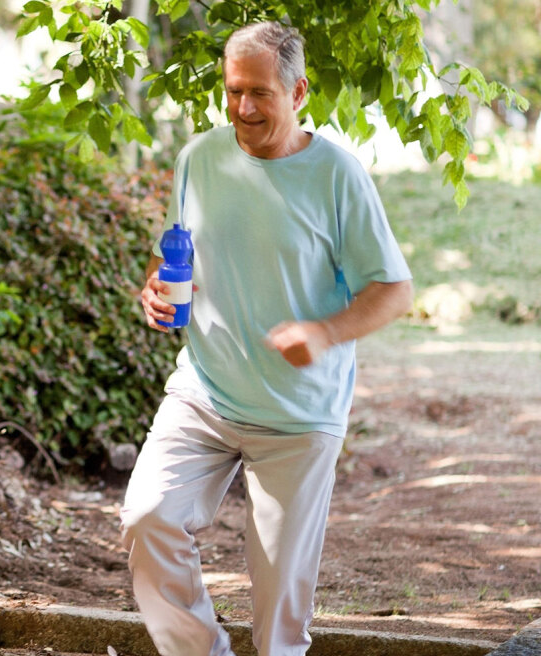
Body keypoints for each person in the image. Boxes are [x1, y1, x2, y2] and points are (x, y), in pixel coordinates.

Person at [121, 21, 414, 656]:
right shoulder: (198, 157)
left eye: (259, 93)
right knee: (147, 518)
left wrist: (326, 331)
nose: (243, 108)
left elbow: (395, 289)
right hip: (205, 390)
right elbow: (178, 257)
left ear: (299, 91)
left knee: (279, 607)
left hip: (299, 413)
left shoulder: (337, 174)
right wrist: (155, 290)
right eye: (233, 92)